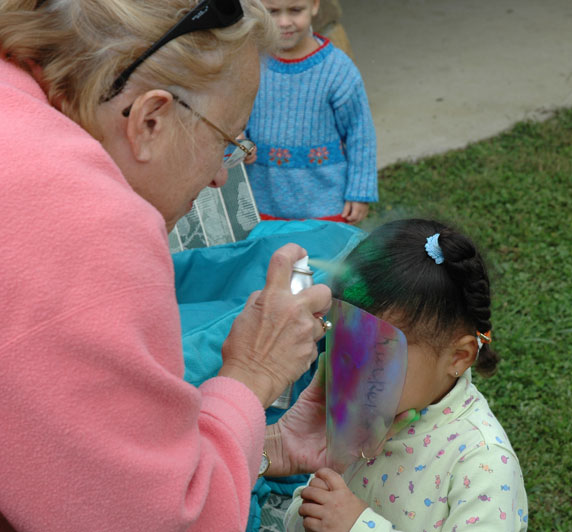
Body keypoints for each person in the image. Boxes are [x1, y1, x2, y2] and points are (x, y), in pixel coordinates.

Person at [0, 1, 333, 530]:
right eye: (228, 142)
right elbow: (161, 521)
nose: (221, 179)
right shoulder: (93, 223)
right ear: (151, 119)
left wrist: (262, 447)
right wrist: (255, 374)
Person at [284, 219, 529, 531]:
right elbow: (307, 504)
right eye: (347, 340)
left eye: (380, 351)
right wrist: (307, 514)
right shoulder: (360, 410)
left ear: (458, 357)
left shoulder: (483, 463)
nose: (354, 367)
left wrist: (357, 526)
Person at [243, 0, 378, 225]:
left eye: (296, 10)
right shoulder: (248, 63)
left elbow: (359, 132)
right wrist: (238, 138)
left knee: (322, 259)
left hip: (326, 204)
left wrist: (360, 190)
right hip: (261, 201)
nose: (284, 22)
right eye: (273, 12)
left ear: (314, 5)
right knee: (269, 258)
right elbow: (235, 115)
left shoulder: (338, 69)